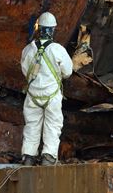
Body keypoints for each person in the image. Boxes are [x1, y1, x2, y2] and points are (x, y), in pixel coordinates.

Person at [20, 12, 73, 166]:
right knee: (52, 125)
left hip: (33, 95)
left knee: (32, 125)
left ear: (39, 28)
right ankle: (48, 157)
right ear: (53, 29)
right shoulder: (58, 50)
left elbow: (25, 71)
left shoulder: (28, 50)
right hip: (52, 95)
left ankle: (28, 156)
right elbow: (68, 72)